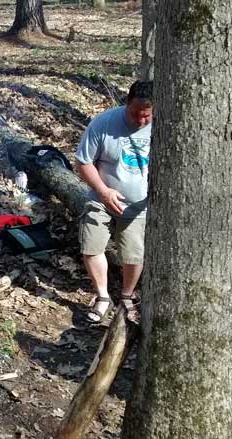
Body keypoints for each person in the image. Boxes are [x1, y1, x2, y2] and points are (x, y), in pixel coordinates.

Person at [75, 80, 153, 322]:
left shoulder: (163, 127)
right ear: (126, 103)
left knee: (133, 255)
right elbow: (83, 162)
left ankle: (127, 296)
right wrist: (103, 191)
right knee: (91, 246)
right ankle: (102, 297)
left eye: (146, 117)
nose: (140, 121)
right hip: (101, 198)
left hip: (139, 205)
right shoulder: (104, 123)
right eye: (135, 114)